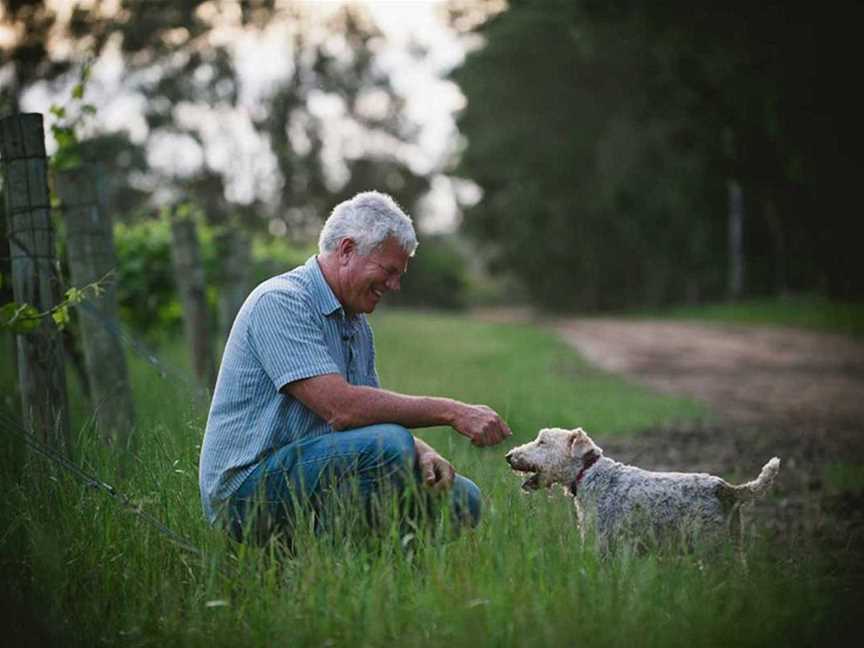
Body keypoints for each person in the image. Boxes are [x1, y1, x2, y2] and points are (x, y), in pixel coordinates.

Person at [198, 191, 511, 542]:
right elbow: (342, 409)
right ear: (347, 250)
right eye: (389, 271)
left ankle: (385, 572)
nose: (394, 285)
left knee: (460, 498)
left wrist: (422, 451)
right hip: (245, 495)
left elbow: (369, 421)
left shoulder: (356, 325)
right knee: (388, 445)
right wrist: (452, 412)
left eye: (399, 275)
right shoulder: (281, 302)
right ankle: (329, 567)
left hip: (308, 471)